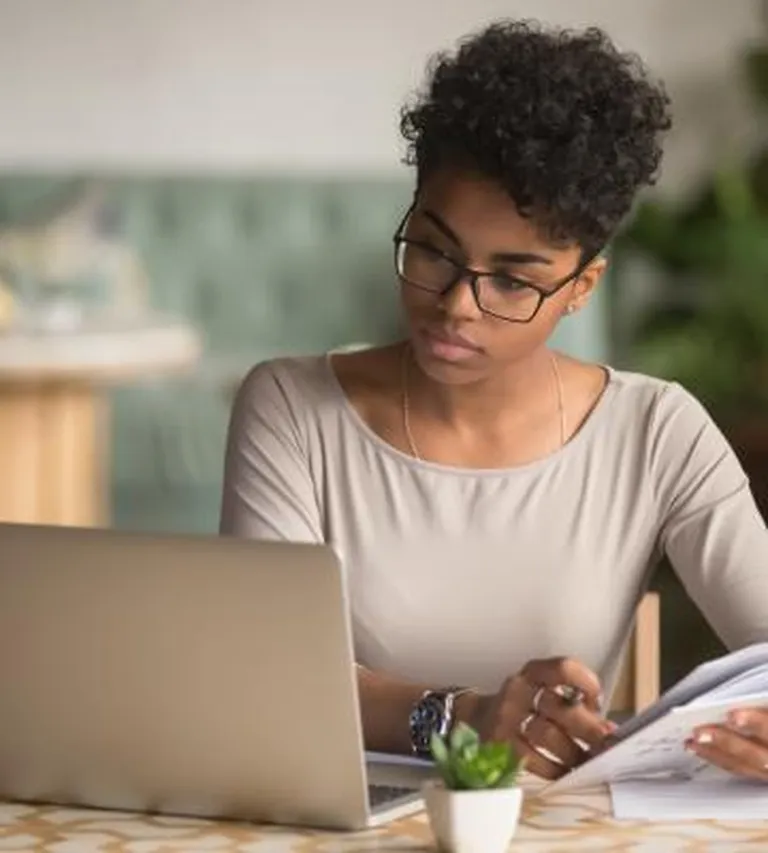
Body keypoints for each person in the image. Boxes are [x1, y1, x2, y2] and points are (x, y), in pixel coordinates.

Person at [220, 20, 768, 781]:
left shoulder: (656, 430)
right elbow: (266, 673)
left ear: (581, 288)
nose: (456, 306)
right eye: (434, 250)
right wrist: (461, 717)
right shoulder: (290, 409)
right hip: (342, 825)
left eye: (512, 279)